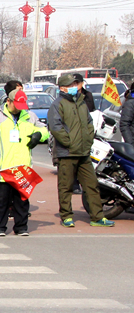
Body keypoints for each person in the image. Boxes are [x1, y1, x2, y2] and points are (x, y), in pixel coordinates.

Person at [48, 73, 114, 228]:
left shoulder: (81, 103)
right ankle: (66, 216)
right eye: (72, 85)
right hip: (67, 153)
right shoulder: (57, 105)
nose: (75, 87)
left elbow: (89, 123)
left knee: (92, 184)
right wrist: (70, 143)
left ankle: (97, 216)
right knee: (66, 186)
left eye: (76, 84)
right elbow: (56, 128)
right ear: (63, 87)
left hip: (84, 152)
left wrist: (89, 139)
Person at [0, 88, 48, 236]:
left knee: (22, 201)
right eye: (16, 104)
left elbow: (45, 130)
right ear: (9, 101)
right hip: (2, 169)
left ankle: (21, 227)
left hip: (22, 169)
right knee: (1, 201)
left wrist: (39, 135)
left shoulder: (30, 116)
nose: (19, 108)